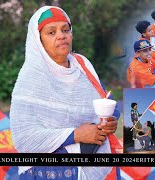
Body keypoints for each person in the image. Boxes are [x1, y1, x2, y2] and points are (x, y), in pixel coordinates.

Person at [10, 6, 119, 179]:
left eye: (65, 30)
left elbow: (104, 101)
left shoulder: (82, 65)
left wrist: (110, 121)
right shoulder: (31, 77)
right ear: (39, 41)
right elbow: (24, 138)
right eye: (51, 32)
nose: (61, 35)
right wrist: (75, 135)